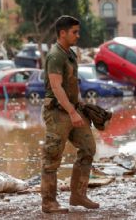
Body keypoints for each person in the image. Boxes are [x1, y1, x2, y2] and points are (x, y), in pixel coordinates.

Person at [41, 15, 100, 213]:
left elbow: (72, 84)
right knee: (52, 157)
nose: (78, 35)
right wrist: (73, 112)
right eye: (74, 32)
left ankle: (78, 195)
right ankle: (49, 202)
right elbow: (57, 87)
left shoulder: (70, 54)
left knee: (88, 148)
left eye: (77, 31)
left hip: (73, 110)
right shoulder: (56, 55)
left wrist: (80, 106)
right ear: (62, 33)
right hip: (58, 113)